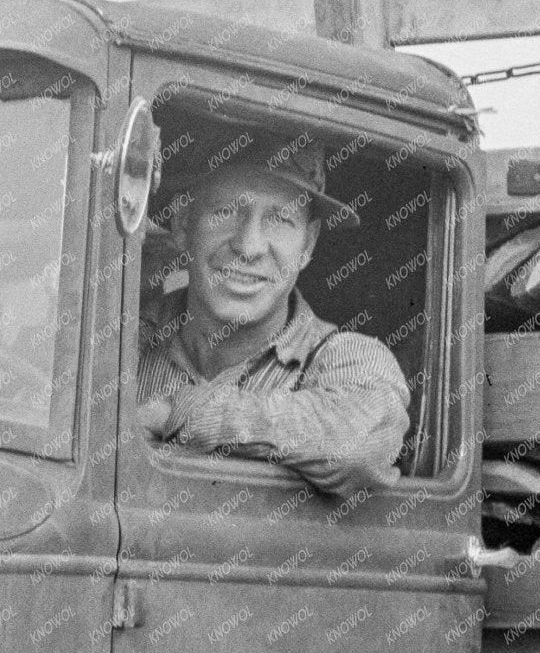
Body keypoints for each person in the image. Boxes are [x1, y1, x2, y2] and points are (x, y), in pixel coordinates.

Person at [135, 133, 410, 495]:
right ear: (184, 224)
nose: (248, 246)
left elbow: (359, 444)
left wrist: (174, 413)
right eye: (226, 211)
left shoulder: (345, 359)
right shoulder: (124, 335)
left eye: (279, 219)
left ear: (308, 244)